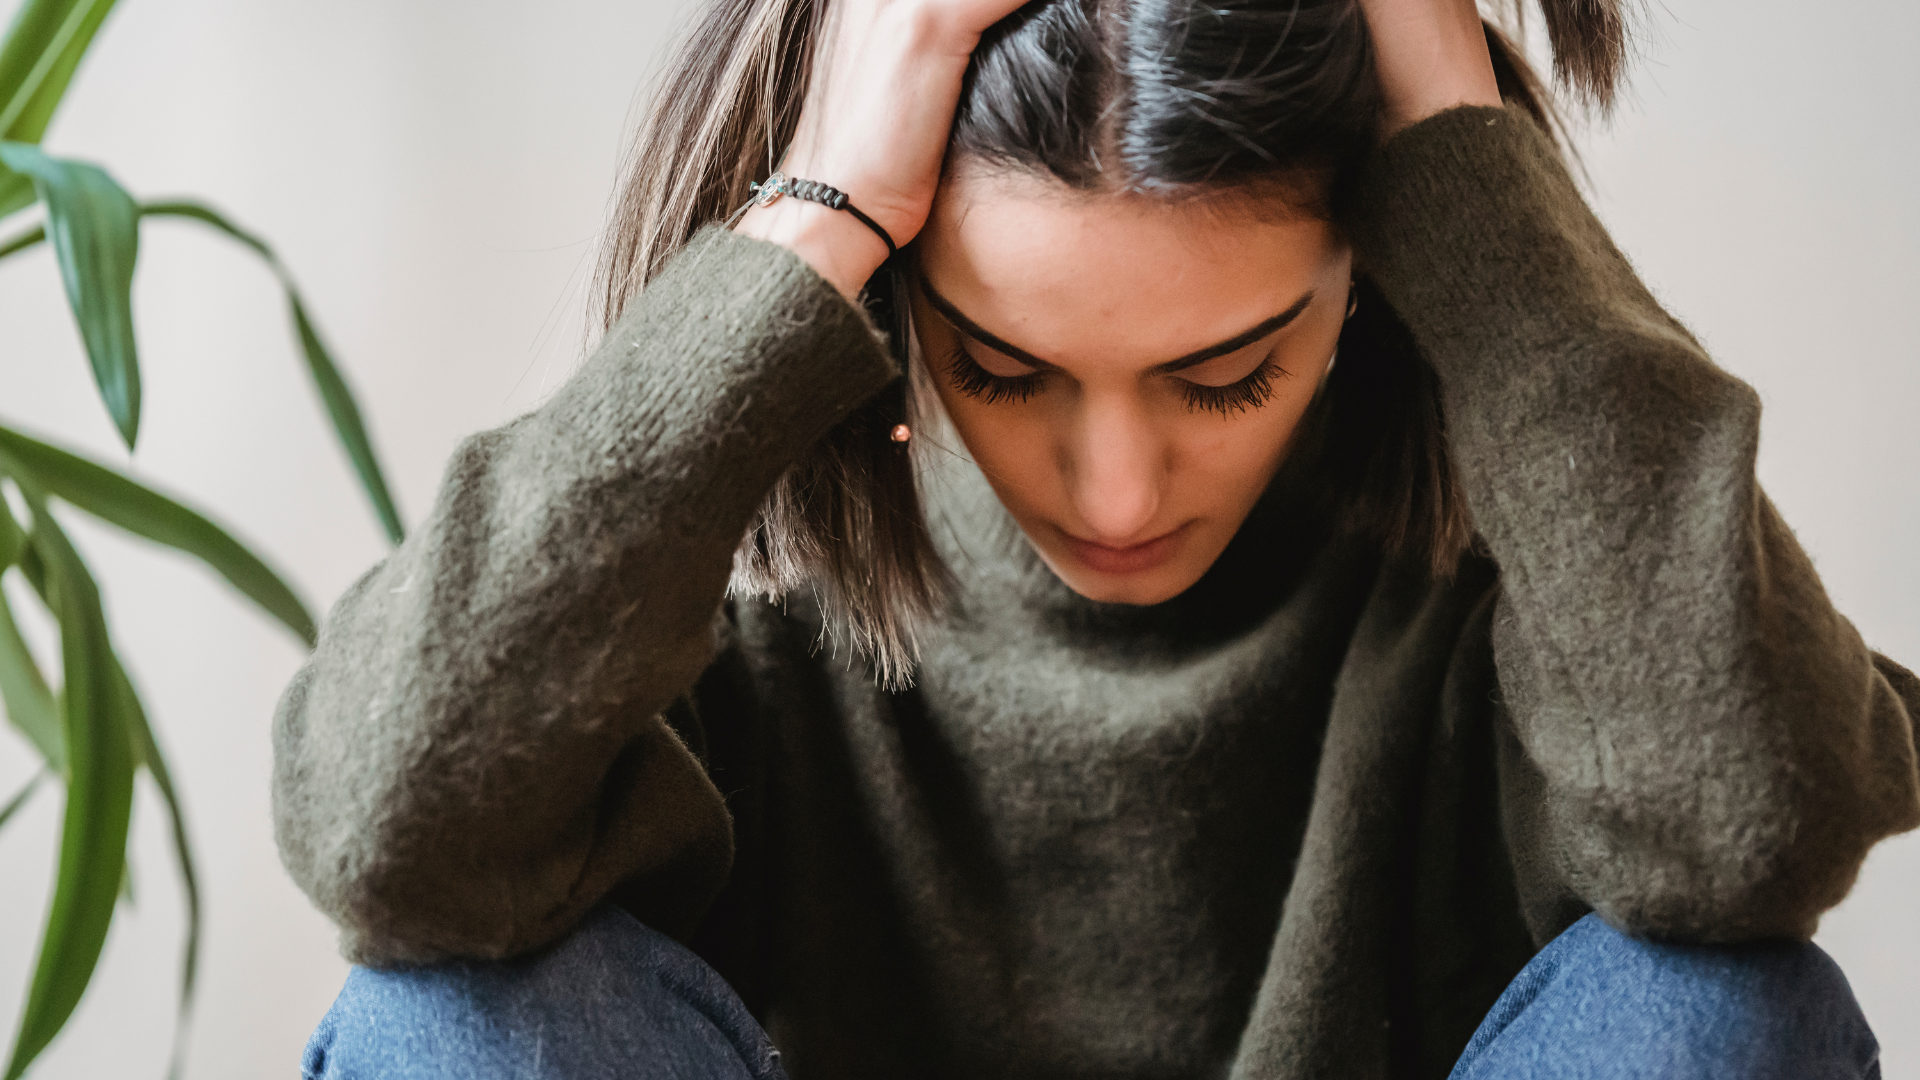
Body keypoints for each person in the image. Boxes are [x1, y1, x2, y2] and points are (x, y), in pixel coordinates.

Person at [274, 0, 1919, 1073]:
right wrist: (822, 204)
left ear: (1364, 284)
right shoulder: (715, 603)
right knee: (449, 1020)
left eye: (1226, 377)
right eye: (1002, 367)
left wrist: (1465, 160)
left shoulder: (1549, 604)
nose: (1114, 494)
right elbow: (386, 832)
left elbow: (1745, 828)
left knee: (1730, 1012)